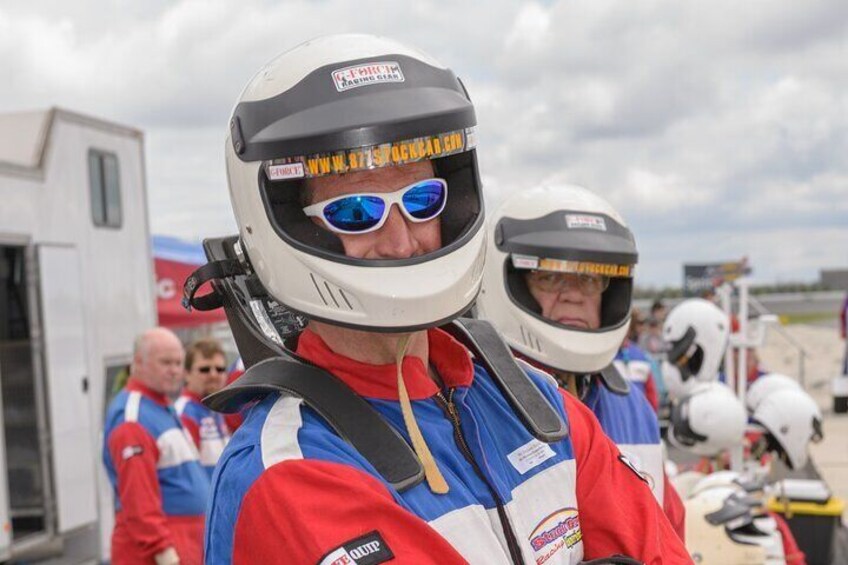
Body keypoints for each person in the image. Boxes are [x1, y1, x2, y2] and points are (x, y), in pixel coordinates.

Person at [202, 35, 690, 564]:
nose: (401, 241)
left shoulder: (536, 404)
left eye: (421, 201)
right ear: (296, 227)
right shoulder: (292, 469)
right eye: (356, 211)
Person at [476, 183, 685, 541]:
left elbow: (669, 528)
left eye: (589, 278)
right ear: (512, 280)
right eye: (549, 275)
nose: (573, 294)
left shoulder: (629, 401)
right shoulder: (472, 403)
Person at [102, 328, 209, 565]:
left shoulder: (159, 407)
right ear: (138, 363)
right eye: (165, 362)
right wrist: (164, 553)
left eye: (179, 363)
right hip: (158, 550)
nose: (174, 371)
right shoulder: (133, 419)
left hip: (183, 542)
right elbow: (138, 500)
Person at [175, 337, 231, 478]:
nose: (214, 375)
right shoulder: (184, 413)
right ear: (186, 374)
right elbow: (186, 475)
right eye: (205, 369)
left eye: (220, 369)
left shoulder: (215, 411)